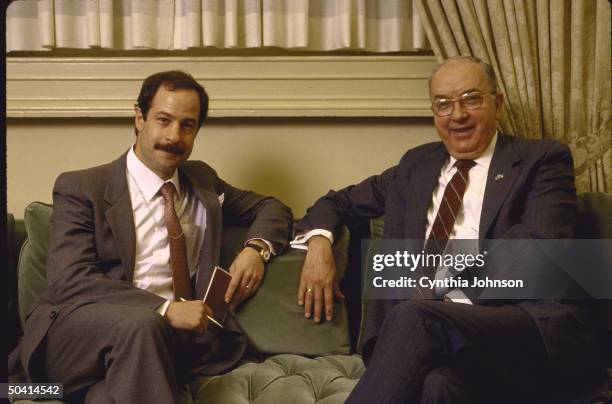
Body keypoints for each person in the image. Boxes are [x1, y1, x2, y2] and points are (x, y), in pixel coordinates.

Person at [292, 57, 606, 403]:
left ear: (497, 104)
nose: (457, 115)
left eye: (471, 99)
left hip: (516, 326)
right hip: (431, 341)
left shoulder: (540, 160)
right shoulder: (416, 166)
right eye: (443, 104)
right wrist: (320, 243)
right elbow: (337, 202)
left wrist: (443, 285)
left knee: (416, 315)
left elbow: (540, 250)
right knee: (438, 385)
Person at [8, 70, 293, 403]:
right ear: (139, 118)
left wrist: (255, 250)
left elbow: (272, 208)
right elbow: (70, 280)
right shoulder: (83, 187)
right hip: (77, 337)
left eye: (187, 125)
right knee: (143, 325)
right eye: (163, 120)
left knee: (104, 397)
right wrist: (164, 309)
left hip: (163, 349)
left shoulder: (203, 182)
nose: (174, 136)